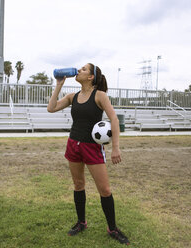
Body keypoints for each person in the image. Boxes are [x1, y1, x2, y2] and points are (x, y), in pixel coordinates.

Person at [47, 63, 130, 245]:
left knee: (105, 190)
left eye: (84, 69)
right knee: (78, 184)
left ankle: (112, 228)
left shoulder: (99, 95)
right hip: (73, 144)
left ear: (91, 77)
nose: (79, 71)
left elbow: (114, 119)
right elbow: (51, 108)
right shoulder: (72, 96)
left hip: (92, 147)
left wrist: (116, 147)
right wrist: (59, 84)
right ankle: (81, 222)